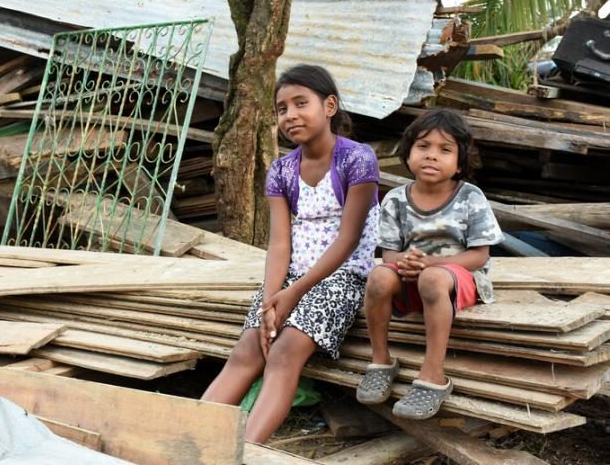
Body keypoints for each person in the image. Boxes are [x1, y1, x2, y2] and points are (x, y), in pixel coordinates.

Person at [201, 64, 380, 443]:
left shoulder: (356, 160)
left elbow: (348, 239)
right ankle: (190, 441)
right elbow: (280, 243)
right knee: (247, 349)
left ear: (329, 105)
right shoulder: (281, 170)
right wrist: (270, 303)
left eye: (302, 103)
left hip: (342, 277)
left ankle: (243, 452)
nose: (290, 115)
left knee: (283, 353)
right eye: (282, 108)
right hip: (289, 279)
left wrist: (293, 295)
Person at [356, 109, 503, 419]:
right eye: (423, 146)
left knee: (434, 278)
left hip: (461, 280)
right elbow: (389, 254)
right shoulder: (395, 198)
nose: (432, 156)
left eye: (445, 149)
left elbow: (479, 256)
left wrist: (432, 264)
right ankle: (381, 361)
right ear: (408, 154)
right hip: (415, 277)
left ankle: (433, 373)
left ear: (460, 162)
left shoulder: (470, 197)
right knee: (379, 277)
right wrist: (407, 263)